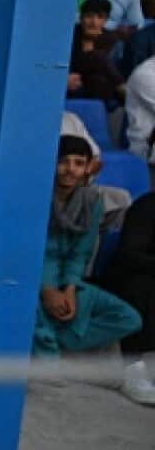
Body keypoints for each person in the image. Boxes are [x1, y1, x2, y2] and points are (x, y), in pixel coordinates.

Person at [32, 136, 141, 361]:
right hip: (33, 279)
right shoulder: (35, 198)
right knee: (28, 305)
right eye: (63, 161)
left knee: (130, 319)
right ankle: (48, 351)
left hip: (69, 281)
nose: (70, 169)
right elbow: (31, 252)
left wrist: (70, 289)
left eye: (79, 163)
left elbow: (80, 253)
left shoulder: (92, 201)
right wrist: (47, 290)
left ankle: (57, 340)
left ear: (88, 168)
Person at [99, 192, 155, 405]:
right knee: (144, 287)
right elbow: (129, 254)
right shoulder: (148, 206)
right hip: (134, 276)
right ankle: (133, 369)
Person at [69, 0, 126, 105]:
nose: (94, 22)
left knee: (99, 80)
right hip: (73, 83)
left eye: (100, 17)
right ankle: (122, 86)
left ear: (106, 20)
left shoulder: (111, 39)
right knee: (99, 56)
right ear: (81, 17)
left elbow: (110, 69)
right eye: (89, 16)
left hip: (98, 86)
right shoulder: (70, 35)